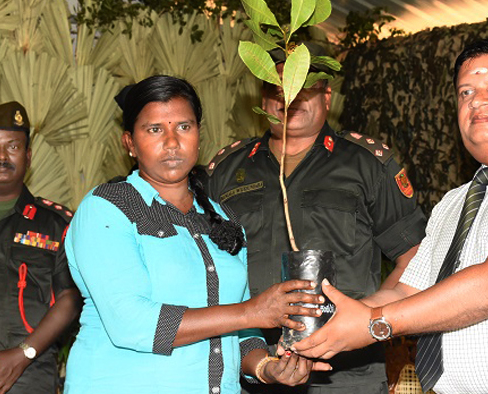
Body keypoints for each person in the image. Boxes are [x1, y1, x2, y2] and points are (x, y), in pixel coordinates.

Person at [294, 39, 488, 394]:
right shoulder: (455, 202)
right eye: (466, 92)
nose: (477, 100)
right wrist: (322, 329)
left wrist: (374, 324)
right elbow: (405, 291)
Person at [63, 75, 330, 394]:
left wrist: (267, 367)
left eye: (184, 126)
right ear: (130, 143)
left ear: (199, 135)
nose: (172, 142)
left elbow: (240, 330)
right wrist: (250, 312)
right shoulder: (107, 208)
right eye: (154, 129)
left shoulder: (224, 218)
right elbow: (131, 323)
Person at [205, 43, 427, 394]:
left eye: (303, 85)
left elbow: (415, 258)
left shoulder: (366, 164)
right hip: (247, 369)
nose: (290, 96)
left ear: (326, 96)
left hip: (345, 374)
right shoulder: (226, 171)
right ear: (263, 100)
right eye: (278, 87)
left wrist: (366, 319)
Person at [0, 102, 81, 394]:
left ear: (28, 157)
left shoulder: (57, 225)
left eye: (13, 147)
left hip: (26, 378)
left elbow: (70, 298)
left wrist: (23, 355)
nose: (2, 157)